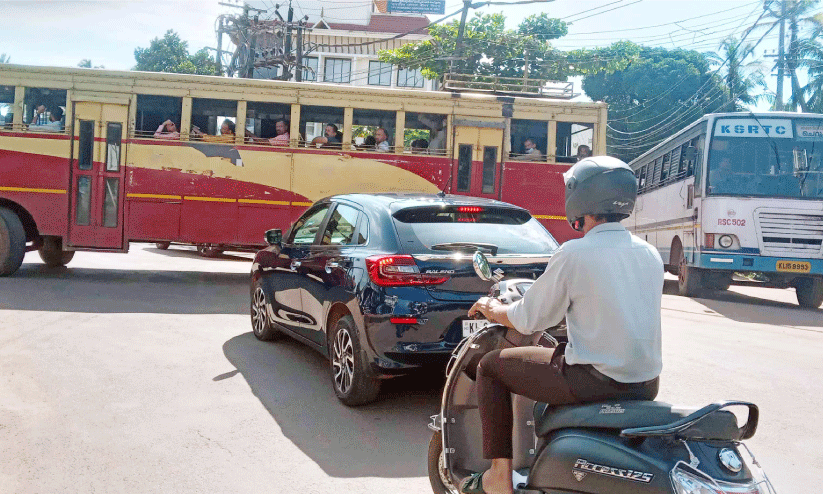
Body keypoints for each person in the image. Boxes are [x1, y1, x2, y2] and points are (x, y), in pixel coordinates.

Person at [462, 156, 663, 494]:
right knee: (553, 355)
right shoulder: (649, 253)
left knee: (490, 367)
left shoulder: (575, 253)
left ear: (580, 199)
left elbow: (529, 318)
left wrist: (493, 308)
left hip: (596, 381)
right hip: (645, 383)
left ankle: (498, 477)